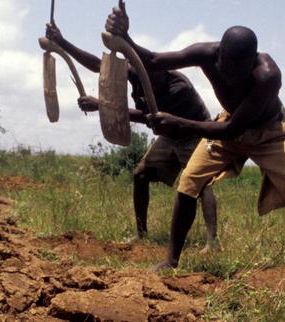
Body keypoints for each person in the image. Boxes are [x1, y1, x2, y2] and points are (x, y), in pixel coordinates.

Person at [105, 1, 285, 289]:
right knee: (189, 183)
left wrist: (178, 123)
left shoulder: (267, 75)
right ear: (220, 54)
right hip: (227, 124)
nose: (228, 75)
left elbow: (233, 129)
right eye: (224, 67)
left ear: (252, 61)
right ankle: (171, 261)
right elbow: (152, 61)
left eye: (237, 70)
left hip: (269, 131)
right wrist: (126, 37)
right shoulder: (207, 53)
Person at [45, 23, 221, 252]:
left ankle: (212, 241)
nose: (146, 78)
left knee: (200, 182)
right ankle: (141, 233)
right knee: (140, 175)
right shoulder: (136, 72)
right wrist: (63, 43)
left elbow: (148, 116)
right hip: (169, 136)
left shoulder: (178, 88)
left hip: (193, 134)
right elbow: (100, 67)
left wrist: (101, 105)